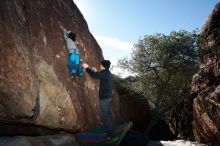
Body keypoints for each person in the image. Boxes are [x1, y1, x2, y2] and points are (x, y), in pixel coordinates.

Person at [82, 60, 115, 138]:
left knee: (104, 116)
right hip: (108, 97)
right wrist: (96, 71)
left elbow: (95, 75)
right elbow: (99, 75)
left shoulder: (105, 73)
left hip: (105, 98)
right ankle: (110, 131)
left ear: (103, 65)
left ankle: (112, 135)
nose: (99, 65)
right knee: (107, 115)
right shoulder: (107, 73)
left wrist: (86, 68)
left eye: (100, 64)